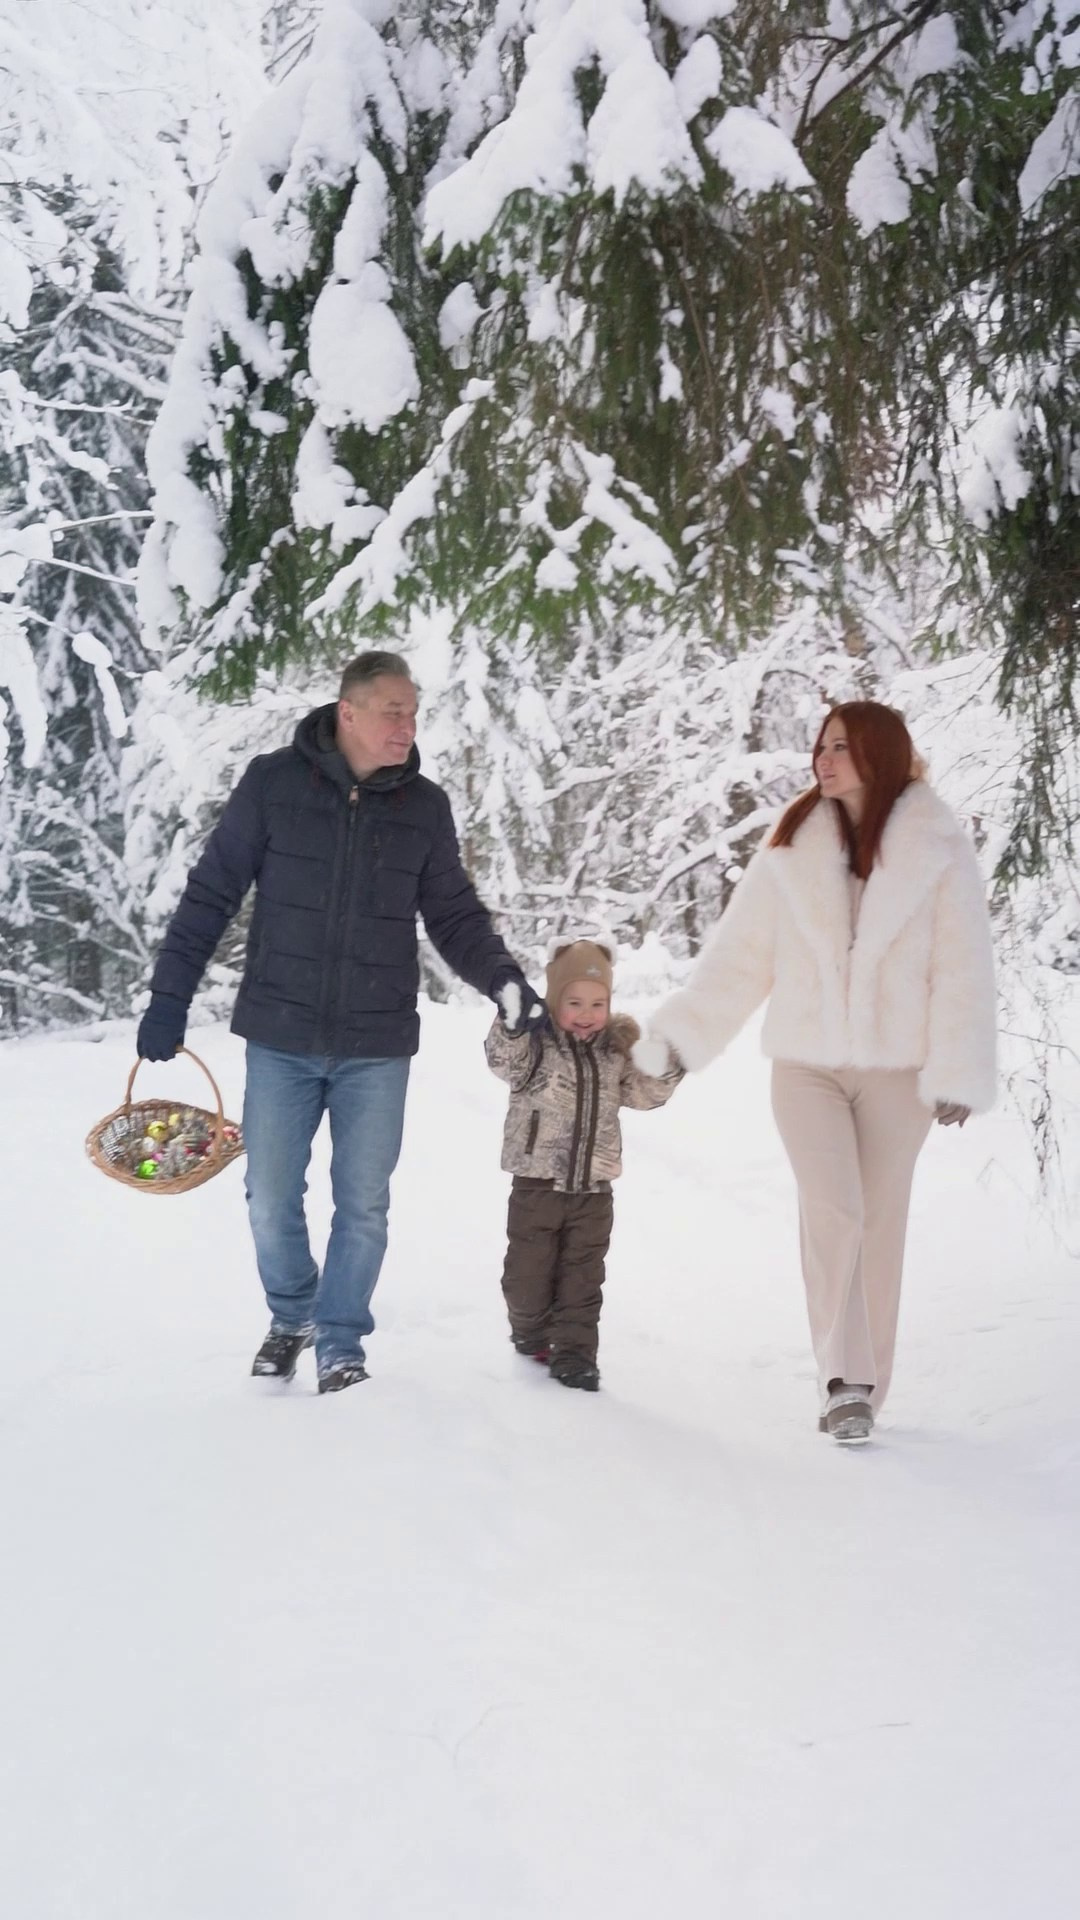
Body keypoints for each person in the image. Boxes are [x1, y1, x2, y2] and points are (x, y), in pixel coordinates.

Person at [136, 651, 545, 1393]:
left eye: (414, 713)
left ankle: (341, 1341)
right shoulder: (273, 784)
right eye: (393, 711)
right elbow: (211, 892)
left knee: (364, 1204)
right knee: (269, 1197)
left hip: (375, 1044)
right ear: (347, 712)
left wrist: (504, 981)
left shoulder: (423, 806)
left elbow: (452, 914)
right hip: (282, 1036)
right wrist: (170, 998)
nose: (407, 726)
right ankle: (294, 1312)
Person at [633, 702, 997, 1444]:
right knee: (836, 1210)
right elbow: (738, 960)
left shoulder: (939, 847)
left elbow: (964, 968)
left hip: (900, 1073)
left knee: (880, 1223)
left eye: (839, 746)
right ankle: (845, 1383)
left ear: (879, 753)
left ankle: (866, 1379)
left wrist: (959, 1067)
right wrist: (681, 1038)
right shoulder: (791, 847)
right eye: (820, 746)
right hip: (807, 1067)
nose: (822, 759)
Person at [485, 937, 683, 1391]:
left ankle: (575, 1356)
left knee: (583, 1281)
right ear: (554, 1000)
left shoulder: (615, 1049)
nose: (587, 1013)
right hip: (537, 1185)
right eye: (574, 1002)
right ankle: (530, 1328)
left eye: (598, 1003)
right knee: (526, 1280)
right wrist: (511, 1024)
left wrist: (667, 1064)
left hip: (594, 1191)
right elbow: (502, 1061)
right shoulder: (535, 1045)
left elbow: (642, 1093)